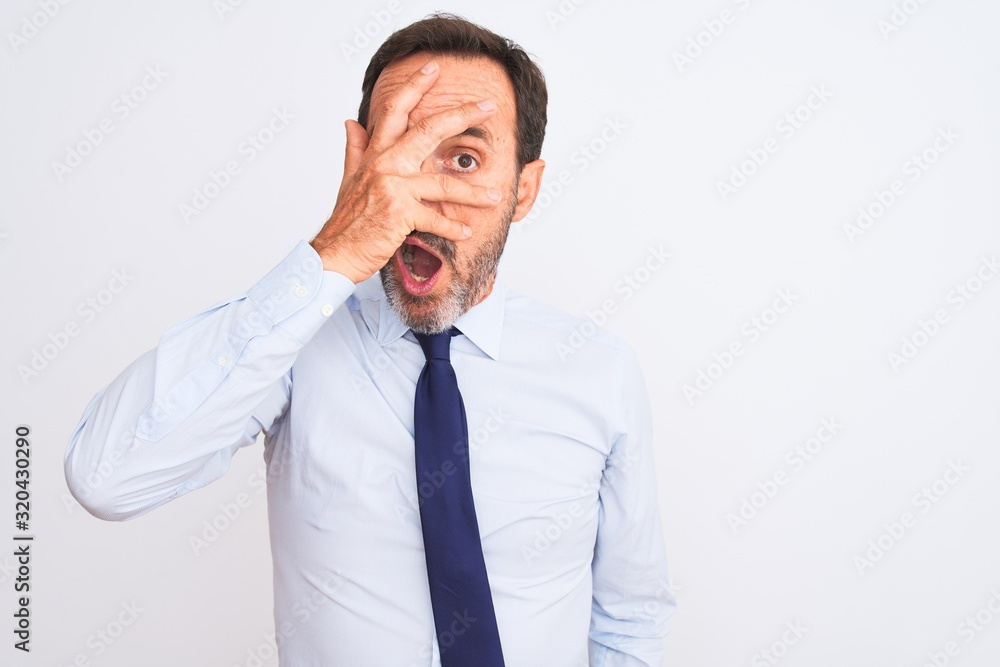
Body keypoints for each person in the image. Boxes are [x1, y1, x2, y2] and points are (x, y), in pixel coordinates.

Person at [65, 13, 675, 666]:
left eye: (463, 159)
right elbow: (106, 477)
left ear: (523, 189)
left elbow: (629, 618)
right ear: (360, 165)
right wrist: (335, 250)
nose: (418, 198)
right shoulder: (291, 345)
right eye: (397, 154)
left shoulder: (597, 371)